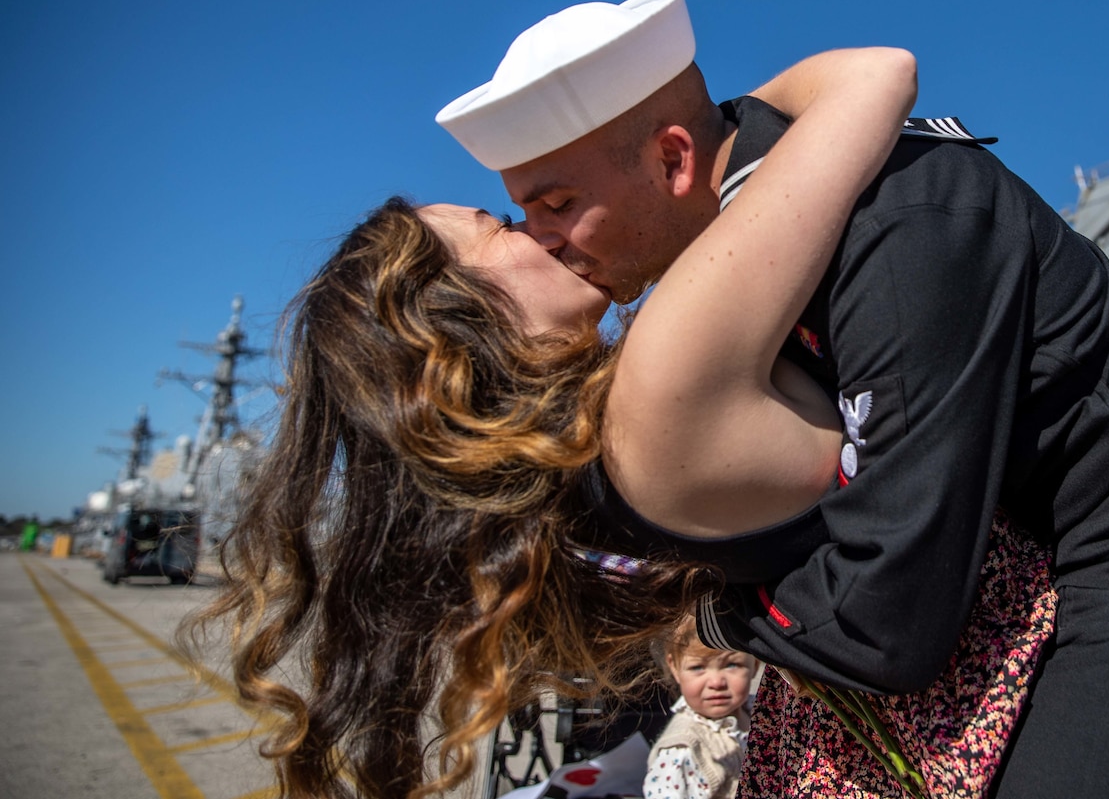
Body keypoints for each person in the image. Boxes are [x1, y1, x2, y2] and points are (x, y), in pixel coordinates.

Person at [435, 0, 1109, 798]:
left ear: (672, 157)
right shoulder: (761, 232)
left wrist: (718, 615)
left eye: (554, 203)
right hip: (1038, 552)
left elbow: (895, 615)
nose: (540, 239)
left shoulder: (897, 225)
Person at [189, 46, 991, 799]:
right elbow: (878, 74)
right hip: (979, 689)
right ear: (459, 329)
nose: (538, 229)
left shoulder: (585, 464)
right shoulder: (665, 367)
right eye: (504, 225)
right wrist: (697, 116)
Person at [644, 615, 756, 799]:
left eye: (732, 665)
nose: (716, 682)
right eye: (697, 668)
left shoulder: (760, 712)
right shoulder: (681, 750)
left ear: (755, 664)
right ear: (674, 668)